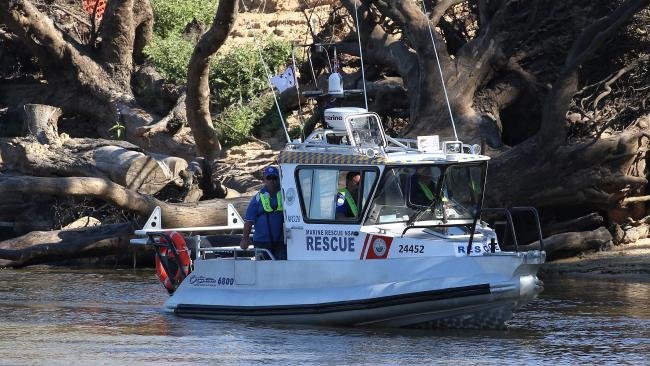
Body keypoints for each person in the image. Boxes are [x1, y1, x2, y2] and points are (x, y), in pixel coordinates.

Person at [240, 166, 286, 260]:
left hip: (281, 242)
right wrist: (245, 239)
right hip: (262, 242)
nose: (272, 180)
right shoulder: (257, 198)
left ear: (278, 179)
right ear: (264, 179)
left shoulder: (285, 195)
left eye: (274, 178)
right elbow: (249, 221)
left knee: (281, 269)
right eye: (269, 178)